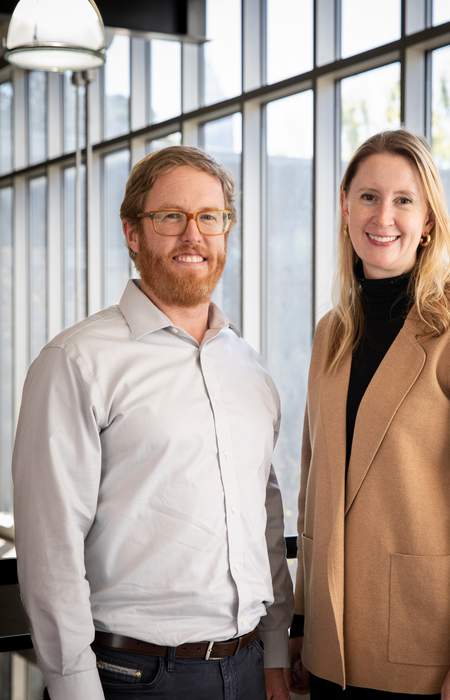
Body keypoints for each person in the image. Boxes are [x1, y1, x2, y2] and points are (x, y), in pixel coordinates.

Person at [12, 146, 294, 700]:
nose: (193, 235)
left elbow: (265, 515)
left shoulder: (248, 366)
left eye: (209, 217)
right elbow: (50, 550)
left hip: (249, 668)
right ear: (132, 232)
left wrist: (277, 651)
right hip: (132, 679)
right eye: (170, 217)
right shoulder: (76, 361)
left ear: (226, 232)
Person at [285, 130, 450, 699]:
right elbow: (312, 489)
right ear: (345, 209)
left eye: (403, 200)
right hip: (328, 653)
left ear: (428, 222)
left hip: (429, 654)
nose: (383, 216)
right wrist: (300, 623)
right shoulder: (331, 333)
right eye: (368, 197)